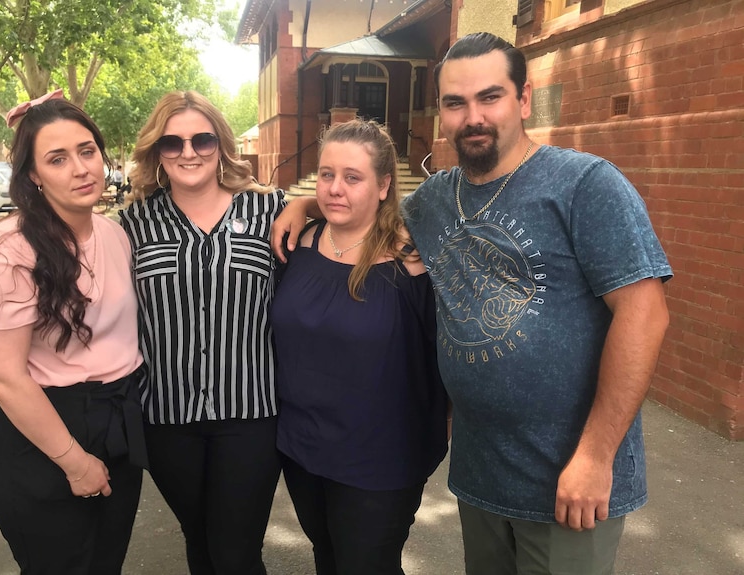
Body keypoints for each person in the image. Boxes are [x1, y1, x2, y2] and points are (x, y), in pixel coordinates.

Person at [272, 32, 672, 575]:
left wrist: (597, 456)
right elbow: (364, 207)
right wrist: (305, 205)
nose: (472, 117)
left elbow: (644, 314)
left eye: (490, 97)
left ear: (523, 99)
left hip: (568, 474)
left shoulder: (585, 185)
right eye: (455, 103)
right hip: (481, 472)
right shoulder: (436, 200)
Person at [0, 91, 148, 574]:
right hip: (39, 434)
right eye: (57, 159)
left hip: (116, 420)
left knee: (105, 564)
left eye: (88, 151)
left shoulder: (113, 234)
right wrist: (74, 461)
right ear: (34, 175)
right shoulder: (4, 253)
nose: (81, 169)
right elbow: (3, 377)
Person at [271, 119, 449, 574]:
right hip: (303, 446)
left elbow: (447, 351)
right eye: (327, 175)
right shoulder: (298, 244)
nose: (335, 188)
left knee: (366, 565)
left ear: (384, 184)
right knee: (326, 555)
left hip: (381, 455)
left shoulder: (412, 260)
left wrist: (450, 420)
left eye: (353, 178)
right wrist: (302, 203)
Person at [118, 90, 284, 575]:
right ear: (156, 153)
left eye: (201, 139)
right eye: (172, 143)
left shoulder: (269, 210)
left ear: (221, 144)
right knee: (200, 538)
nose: (188, 152)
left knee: (236, 550)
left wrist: (310, 201)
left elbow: (339, 217)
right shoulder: (131, 224)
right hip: (168, 418)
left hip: (251, 414)